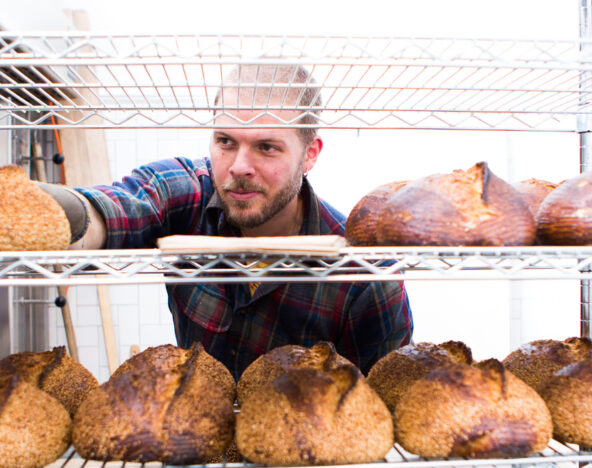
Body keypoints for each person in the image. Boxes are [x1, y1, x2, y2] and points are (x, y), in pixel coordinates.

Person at [47, 62, 414, 378]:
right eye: (225, 141)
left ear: (310, 155)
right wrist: (41, 211)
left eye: (266, 147)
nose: (239, 167)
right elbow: (110, 211)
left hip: (301, 454)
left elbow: (383, 407)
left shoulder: (367, 275)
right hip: (195, 442)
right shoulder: (186, 193)